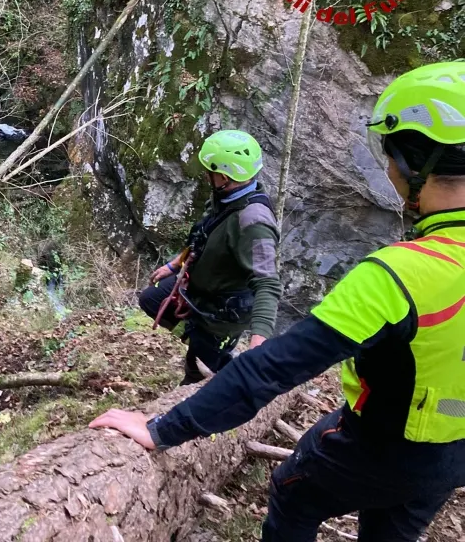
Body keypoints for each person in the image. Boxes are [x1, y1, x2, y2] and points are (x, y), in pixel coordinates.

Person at [90, 60, 465, 541]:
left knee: (293, 491)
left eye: (391, 154)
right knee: (393, 524)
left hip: (383, 445)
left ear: (417, 161)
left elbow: (273, 368)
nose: (388, 168)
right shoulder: (230, 205)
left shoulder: (398, 277)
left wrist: (163, 428)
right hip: (450, 456)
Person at [138, 129, 281, 385]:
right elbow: (203, 235)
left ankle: (226, 375)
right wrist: (175, 264)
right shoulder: (225, 198)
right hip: (200, 291)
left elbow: (268, 283)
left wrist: (259, 341)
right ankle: (196, 338)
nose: (206, 175)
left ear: (224, 175)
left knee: (198, 373)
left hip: (223, 311)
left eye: (209, 171)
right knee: (152, 298)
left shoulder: (253, 222)